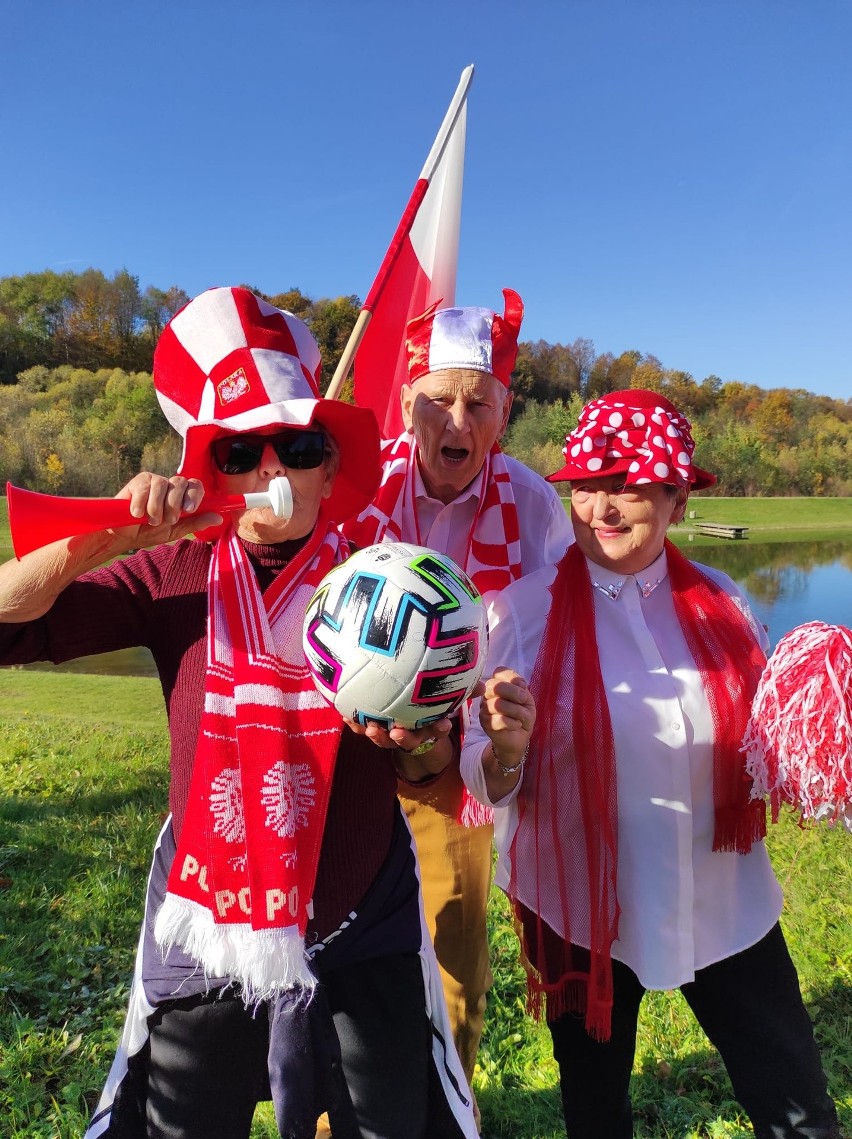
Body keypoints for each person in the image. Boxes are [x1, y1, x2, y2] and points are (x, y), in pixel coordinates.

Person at [0, 287, 478, 1139]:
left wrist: (418, 745)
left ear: (331, 465)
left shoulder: (388, 582)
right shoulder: (172, 574)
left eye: (297, 445)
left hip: (362, 922)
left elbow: (432, 767)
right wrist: (107, 536)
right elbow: (7, 620)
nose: (271, 471)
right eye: (239, 449)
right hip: (208, 928)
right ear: (208, 466)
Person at [460, 389, 840, 1138]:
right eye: (588, 484)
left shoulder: (727, 603)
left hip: (725, 899)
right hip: (581, 905)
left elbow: (775, 744)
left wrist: (824, 713)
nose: (602, 504)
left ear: (674, 498)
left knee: (794, 1096)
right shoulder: (517, 613)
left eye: (628, 484)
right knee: (595, 1106)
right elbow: (483, 777)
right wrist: (506, 752)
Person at [343, 289, 573, 1089]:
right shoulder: (355, 486)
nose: (457, 421)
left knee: (456, 966)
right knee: (336, 952)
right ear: (408, 406)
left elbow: (572, 628)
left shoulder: (537, 505)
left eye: (478, 403)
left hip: (459, 765)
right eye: (437, 399)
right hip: (349, 753)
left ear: (502, 416)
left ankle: (449, 1104)